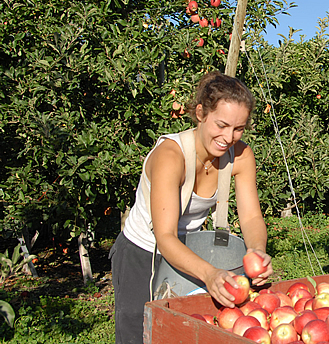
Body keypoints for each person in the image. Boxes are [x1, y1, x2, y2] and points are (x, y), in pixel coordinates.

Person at [109, 71, 273, 343]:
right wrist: (209, 274)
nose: (229, 136)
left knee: (182, 333)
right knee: (138, 335)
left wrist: (257, 251)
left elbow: (252, 216)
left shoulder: (241, 156)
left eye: (238, 128)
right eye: (221, 125)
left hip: (189, 252)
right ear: (200, 113)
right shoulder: (171, 156)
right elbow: (165, 237)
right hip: (142, 253)